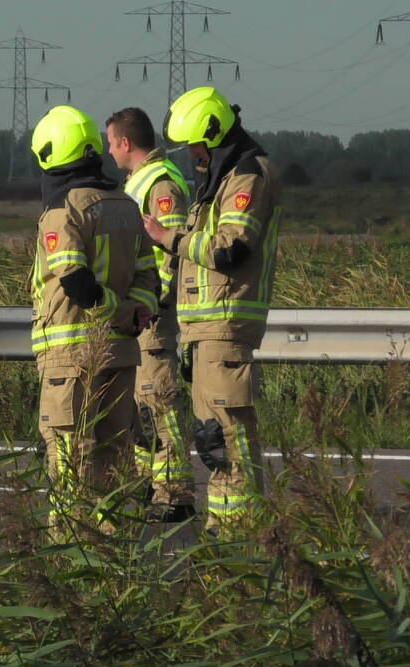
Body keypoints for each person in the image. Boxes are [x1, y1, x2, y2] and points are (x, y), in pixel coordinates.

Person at [142, 87, 282, 531]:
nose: (193, 156)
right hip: (206, 328)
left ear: (213, 133)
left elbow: (230, 250)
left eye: (196, 147)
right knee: (211, 436)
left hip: (226, 323)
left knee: (226, 433)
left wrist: (169, 239)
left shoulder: (247, 175)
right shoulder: (219, 179)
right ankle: (225, 529)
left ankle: (237, 532)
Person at [30, 105, 159, 532]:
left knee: (70, 457)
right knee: (115, 456)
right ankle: (115, 548)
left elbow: (77, 283)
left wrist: (118, 313)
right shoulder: (125, 204)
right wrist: (133, 314)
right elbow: (148, 276)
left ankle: (71, 551)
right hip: (120, 355)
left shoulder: (64, 209)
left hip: (72, 356)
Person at [105, 107, 195, 523]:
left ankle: (175, 493)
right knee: (142, 405)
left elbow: (169, 252)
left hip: (153, 315)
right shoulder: (139, 182)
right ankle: (149, 484)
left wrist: (150, 303)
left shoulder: (160, 184)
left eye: (111, 143)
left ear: (125, 143)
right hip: (141, 314)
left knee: (160, 401)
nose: (108, 151)